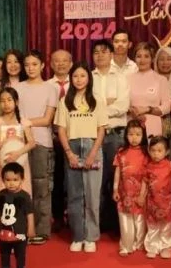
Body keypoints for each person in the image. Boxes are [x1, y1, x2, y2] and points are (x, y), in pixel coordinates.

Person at [54, 61, 108, 253]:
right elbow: (61, 130)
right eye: (75, 76)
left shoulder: (97, 100)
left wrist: (94, 152)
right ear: (71, 78)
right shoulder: (65, 102)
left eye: (82, 76)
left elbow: (102, 128)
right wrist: (69, 153)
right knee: (75, 195)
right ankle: (77, 236)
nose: (79, 79)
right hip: (73, 147)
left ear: (89, 78)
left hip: (92, 146)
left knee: (92, 195)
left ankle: (91, 236)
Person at [15, 50, 57, 245]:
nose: (30, 68)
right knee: (20, 186)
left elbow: (47, 119)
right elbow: (14, 116)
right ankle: (20, 227)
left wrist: (25, 122)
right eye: (27, 64)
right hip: (19, 143)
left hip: (41, 142)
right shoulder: (17, 87)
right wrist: (23, 124)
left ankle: (41, 229)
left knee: (41, 186)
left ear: (42, 66)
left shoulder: (51, 88)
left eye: (34, 64)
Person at [91, 39, 130, 235]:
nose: (100, 55)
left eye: (104, 52)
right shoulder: (89, 78)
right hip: (96, 135)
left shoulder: (121, 77)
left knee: (117, 179)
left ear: (111, 54)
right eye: (96, 52)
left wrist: (101, 108)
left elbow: (123, 105)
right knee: (97, 179)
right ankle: (97, 224)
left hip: (116, 135)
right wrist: (107, 106)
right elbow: (88, 106)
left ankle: (118, 225)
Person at [0, 162, 35, 268]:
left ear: (22, 179)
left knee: (20, 252)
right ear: (3, 180)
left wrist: (31, 228)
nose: (11, 183)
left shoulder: (25, 196)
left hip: (19, 231)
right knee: (4, 251)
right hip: (4, 230)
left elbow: (30, 213)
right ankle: (5, 267)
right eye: (7, 180)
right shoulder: (2, 193)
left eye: (15, 179)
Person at [0, 87, 35, 202]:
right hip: (0, 165)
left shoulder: (23, 121)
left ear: (16, 102)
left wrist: (18, 154)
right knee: (2, 199)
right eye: (2, 101)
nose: (6, 104)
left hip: (20, 164)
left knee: (20, 199)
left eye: (9, 100)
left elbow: (32, 143)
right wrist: (3, 143)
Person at [112, 120, 149, 256]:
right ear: (126, 135)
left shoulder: (146, 154)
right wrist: (115, 189)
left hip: (140, 192)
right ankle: (126, 245)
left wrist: (143, 195)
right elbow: (117, 171)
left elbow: (148, 176)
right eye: (131, 134)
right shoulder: (121, 152)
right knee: (125, 218)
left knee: (139, 218)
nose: (134, 138)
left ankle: (139, 243)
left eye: (138, 134)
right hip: (124, 192)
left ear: (143, 136)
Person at [48, 49, 72, 231]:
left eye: (65, 61)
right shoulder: (47, 86)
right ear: (51, 64)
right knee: (55, 177)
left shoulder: (80, 83)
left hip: (74, 137)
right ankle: (56, 215)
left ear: (71, 63)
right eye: (57, 61)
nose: (61, 64)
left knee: (72, 179)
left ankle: (72, 215)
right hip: (52, 137)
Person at [142, 136, 171, 259]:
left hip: (166, 203)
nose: (156, 154)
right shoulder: (148, 167)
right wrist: (141, 196)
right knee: (152, 226)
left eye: (159, 150)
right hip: (152, 202)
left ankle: (166, 247)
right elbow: (145, 182)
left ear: (167, 151)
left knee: (167, 226)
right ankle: (153, 247)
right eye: (153, 150)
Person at [127, 42, 171, 137]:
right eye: (139, 56)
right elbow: (123, 103)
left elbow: (167, 106)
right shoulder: (127, 79)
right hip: (132, 127)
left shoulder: (161, 80)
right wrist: (133, 112)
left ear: (152, 59)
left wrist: (147, 109)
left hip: (154, 126)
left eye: (146, 56)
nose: (142, 60)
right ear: (134, 58)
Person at [154, 46, 171, 162]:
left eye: (169, 59)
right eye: (161, 59)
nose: (165, 63)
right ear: (156, 62)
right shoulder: (152, 79)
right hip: (156, 125)